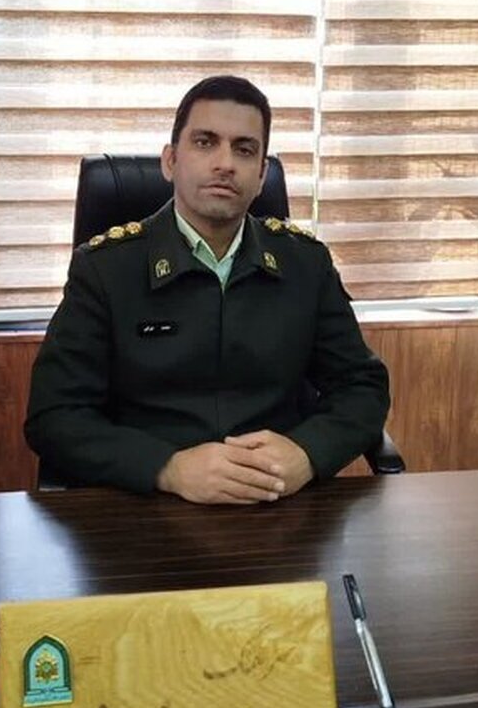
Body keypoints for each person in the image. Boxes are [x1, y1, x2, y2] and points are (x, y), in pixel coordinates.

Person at [25, 75, 390, 504]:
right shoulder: (106, 270)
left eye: (244, 149)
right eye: (205, 142)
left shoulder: (305, 265)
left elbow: (362, 388)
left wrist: (306, 453)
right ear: (170, 161)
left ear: (262, 175)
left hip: (279, 503)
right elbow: (55, 416)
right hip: (145, 508)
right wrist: (167, 468)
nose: (225, 163)